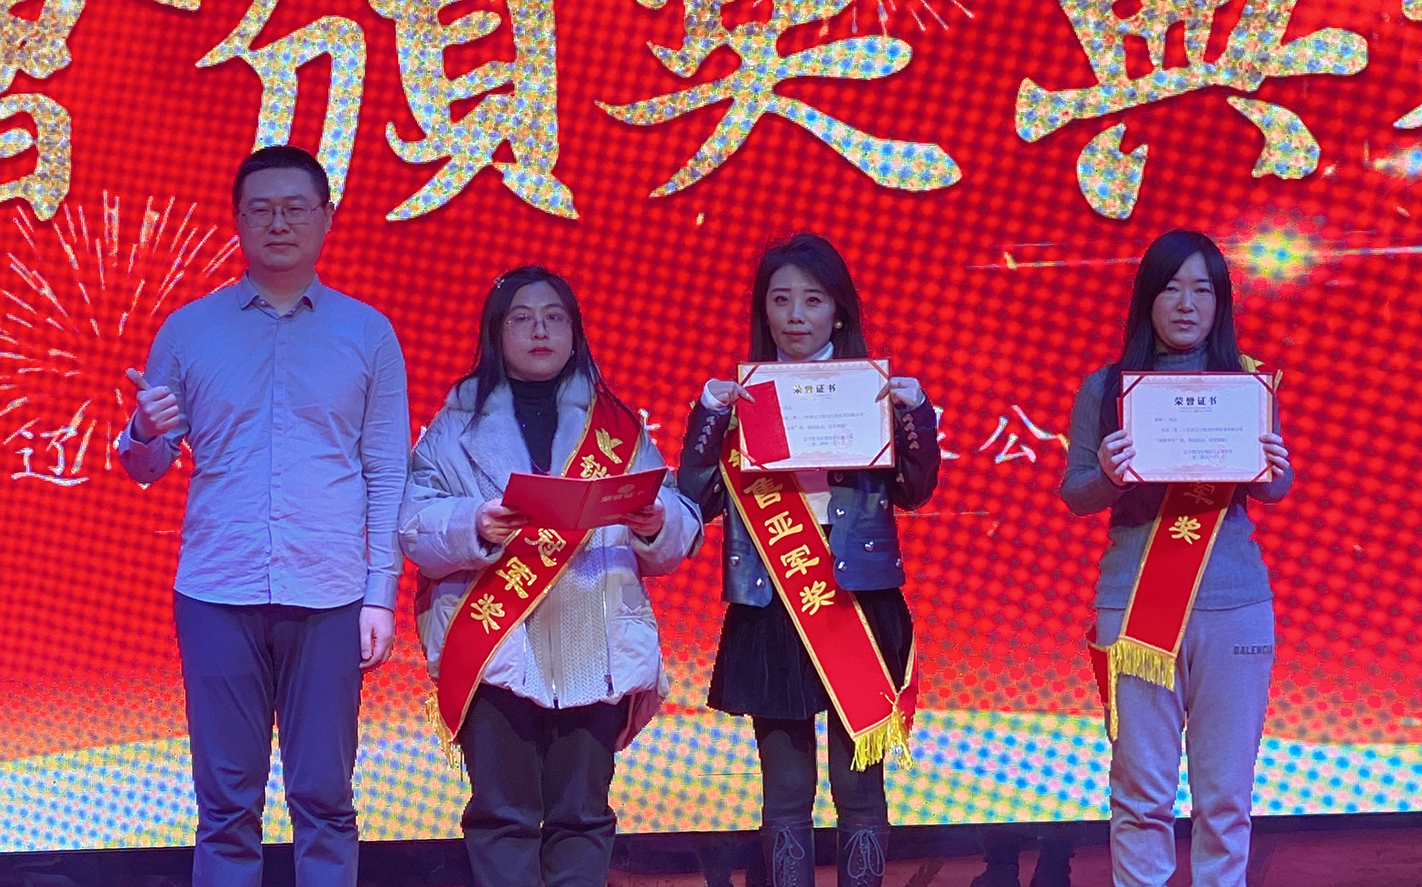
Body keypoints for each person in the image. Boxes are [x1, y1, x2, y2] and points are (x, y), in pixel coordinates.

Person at [118, 145, 409, 886]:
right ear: (239, 221)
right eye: (261, 210)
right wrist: (144, 431)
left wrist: (381, 594)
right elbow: (145, 467)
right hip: (217, 590)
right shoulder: (189, 331)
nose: (279, 223)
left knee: (326, 799)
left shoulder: (367, 333)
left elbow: (386, 470)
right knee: (225, 805)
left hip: (330, 592)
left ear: (326, 218)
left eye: (295, 208)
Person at [399, 265, 701, 887]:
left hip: (594, 638)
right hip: (495, 646)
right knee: (503, 818)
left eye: (554, 318)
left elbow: (676, 530)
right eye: (522, 318)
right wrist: (474, 523)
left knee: (583, 818)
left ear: (574, 333)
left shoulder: (617, 428)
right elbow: (412, 527)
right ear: (496, 333)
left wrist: (655, 521)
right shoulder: (452, 428)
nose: (540, 331)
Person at [678, 233, 941, 887]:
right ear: (763, 310)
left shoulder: (871, 392)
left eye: (813, 300)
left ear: (839, 311)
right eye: (781, 300)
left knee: (859, 784)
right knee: (787, 788)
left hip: (858, 600)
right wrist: (709, 416)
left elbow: (915, 490)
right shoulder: (741, 401)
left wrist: (915, 414)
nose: (796, 315)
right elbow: (696, 500)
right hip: (772, 600)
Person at [1060, 229, 1293, 887]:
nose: (1186, 304)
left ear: (1221, 302)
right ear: (1147, 299)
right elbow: (1076, 493)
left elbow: (1271, 487)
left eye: (1202, 289)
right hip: (1136, 606)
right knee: (1141, 795)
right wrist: (1109, 475)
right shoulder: (1107, 387)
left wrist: (1276, 471)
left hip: (1235, 606)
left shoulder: (1246, 383)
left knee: (1225, 799)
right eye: (1170, 287)